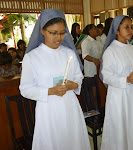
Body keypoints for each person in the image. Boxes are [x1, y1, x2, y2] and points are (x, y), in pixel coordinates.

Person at [19, 9, 90, 150]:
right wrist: (51, 91)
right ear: (42, 31)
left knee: (73, 141)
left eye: (62, 33)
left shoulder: (69, 52)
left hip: (70, 106)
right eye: (53, 33)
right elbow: (25, 89)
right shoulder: (32, 57)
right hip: (48, 110)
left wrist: (73, 85)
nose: (59, 38)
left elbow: (78, 77)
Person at [101, 15, 133, 150]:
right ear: (116, 31)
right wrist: (126, 79)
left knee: (132, 123)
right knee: (120, 128)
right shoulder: (110, 51)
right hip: (118, 96)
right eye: (126, 27)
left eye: (131, 27)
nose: (130, 30)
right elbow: (106, 77)